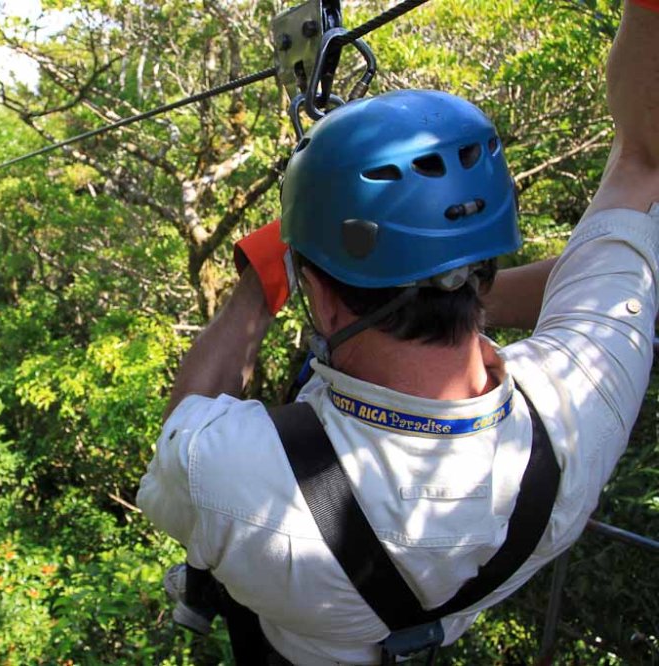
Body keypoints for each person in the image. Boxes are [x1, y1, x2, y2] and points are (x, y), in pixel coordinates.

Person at [136, 1, 659, 664]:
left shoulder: (239, 479)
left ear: (320, 301)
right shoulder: (579, 408)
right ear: (480, 264)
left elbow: (184, 420)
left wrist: (258, 285)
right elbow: (643, 163)